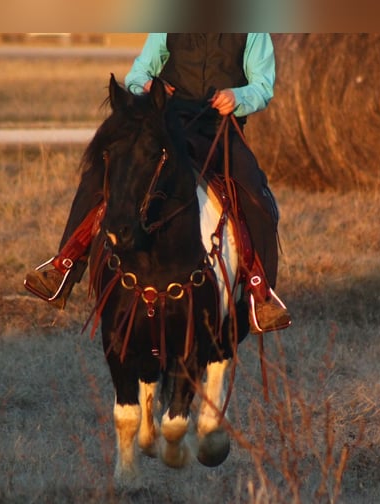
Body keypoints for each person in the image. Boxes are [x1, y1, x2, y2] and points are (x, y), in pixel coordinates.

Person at [24, 33, 291, 333]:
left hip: (219, 129)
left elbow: (263, 84)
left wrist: (238, 97)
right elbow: (138, 74)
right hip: (167, 125)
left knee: (254, 193)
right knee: (101, 173)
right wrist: (149, 86)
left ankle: (260, 292)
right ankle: (65, 263)